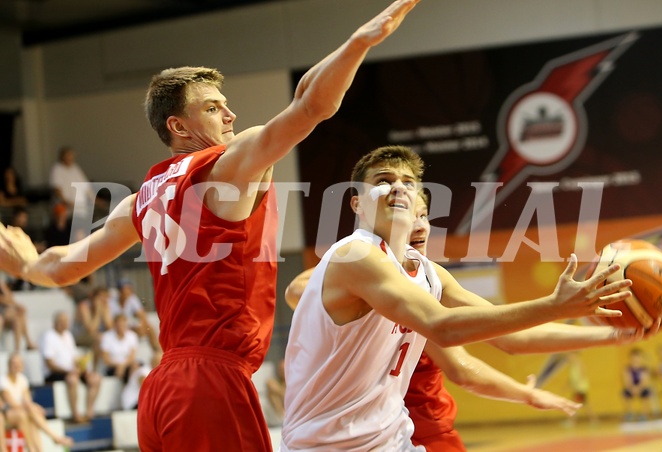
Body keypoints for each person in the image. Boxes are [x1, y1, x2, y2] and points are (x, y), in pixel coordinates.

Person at [0, 1, 423, 449]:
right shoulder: (226, 167)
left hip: (162, 388)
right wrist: (361, 41)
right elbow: (309, 104)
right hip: (210, 379)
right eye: (214, 108)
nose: (230, 116)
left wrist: (24, 265)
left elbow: (64, 267)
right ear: (178, 126)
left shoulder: (142, 198)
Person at [280, 145, 634, 450]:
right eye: (383, 181)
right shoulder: (355, 254)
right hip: (325, 445)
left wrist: (617, 334)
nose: (397, 188)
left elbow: (514, 338)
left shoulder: (429, 273)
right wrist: (555, 306)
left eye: (408, 182)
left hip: (393, 440)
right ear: (356, 203)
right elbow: (443, 329)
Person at [0, 353, 74, 451]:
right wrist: (34, 407)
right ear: (9, 365)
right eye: (14, 363)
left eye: (18, 363)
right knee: (27, 414)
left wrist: (34, 407)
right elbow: (12, 404)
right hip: (8, 414)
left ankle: (39, 448)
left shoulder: (22, 379)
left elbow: (27, 401)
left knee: (31, 417)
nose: (16, 366)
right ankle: (52, 439)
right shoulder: (3, 380)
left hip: (21, 413)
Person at [41, 311, 102, 423]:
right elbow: (49, 363)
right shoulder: (48, 336)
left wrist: (83, 369)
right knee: (72, 379)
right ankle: (75, 414)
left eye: (66, 322)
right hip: (55, 372)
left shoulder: (68, 335)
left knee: (95, 378)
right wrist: (70, 370)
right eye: (63, 322)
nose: (65, 324)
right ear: (56, 323)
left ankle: (89, 411)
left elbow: (74, 357)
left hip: (71, 369)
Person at [49, 146, 97, 232]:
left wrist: (94, 199)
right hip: (64, 206)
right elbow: (57, 189)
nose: (70, 158)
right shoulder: (57, 169)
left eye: (71, 156)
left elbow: (86, 186)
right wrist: (66, 202)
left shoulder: (75, 168)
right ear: (62, 156)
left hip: (79, 207)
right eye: (68, 155)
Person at [108, 279, 158, 351]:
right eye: (126, 288)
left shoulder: (132, 298)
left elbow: (142, 314)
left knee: (149, 328)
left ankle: (157, 351)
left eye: (130, 288)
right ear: (120, 290)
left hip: (127, 327)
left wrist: (142, 325)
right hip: (116, 328)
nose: (129, 291)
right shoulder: (111, 302)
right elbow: (110, 322)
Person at [72, 285, 113, 370]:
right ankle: (95, 369)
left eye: (105, 297)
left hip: (94, 336)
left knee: (106, 338)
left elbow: (110, 327)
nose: (103, 300)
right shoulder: (83, 306)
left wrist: (104, 312)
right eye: (101, 297)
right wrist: (98, 312)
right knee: (100, 339)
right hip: (80, 337)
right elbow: (90, 329)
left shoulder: (105, 306)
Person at [100, 313, 140, 384]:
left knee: (135, 366)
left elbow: (132, 357)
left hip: (127, 366)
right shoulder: (107, 336)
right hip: (113, 366)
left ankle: (130, 389)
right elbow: (106, 359)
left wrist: (122, 366)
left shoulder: (132, 336)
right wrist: (119, 365)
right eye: (119, 325)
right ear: (115, 325)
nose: (121, 327)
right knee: (127, 369)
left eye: (123, 325)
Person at [0, 279, 37, 352]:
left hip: (6, 314)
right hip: (3, 315)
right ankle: (28, 342)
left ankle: (17, 349)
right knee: (18, 315)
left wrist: (3, 287)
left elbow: (10, 298)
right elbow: (7, 300)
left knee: (19, 318)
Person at [622, 348, 653, 422]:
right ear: (630, 358)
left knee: (646, 392)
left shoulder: (644, 369)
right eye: (634, 358)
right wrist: (632, 388)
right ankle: (630, 413)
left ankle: (644, 414)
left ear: (640, 358)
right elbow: (626, 381)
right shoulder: (627, 369)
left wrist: (639, 388)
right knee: (625, 393)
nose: (636, 359)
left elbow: (645, 382)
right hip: (631, 388)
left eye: (637, 357)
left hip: (641, 388)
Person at [265, 358, 286, 427]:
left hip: (288, 408)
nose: (282, 372)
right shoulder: (273, 381)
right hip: (277, 411)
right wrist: (282, 393)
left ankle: (283, 417)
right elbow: (269, 384)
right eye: (281, 369)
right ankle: (281, 416)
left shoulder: (293, 382)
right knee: (272, 394)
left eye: (284, 369)